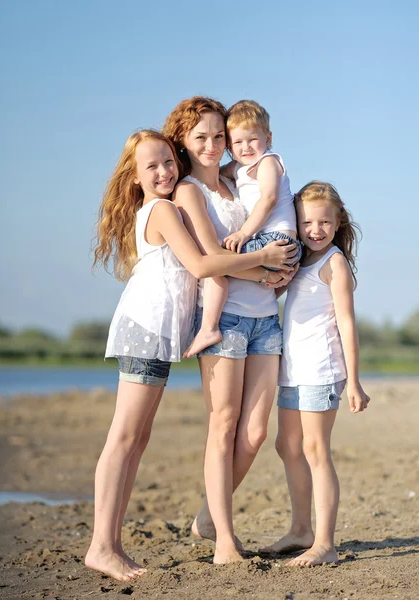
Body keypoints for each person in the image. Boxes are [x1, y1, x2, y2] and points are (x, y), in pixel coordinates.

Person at [85, 129, 294, 581]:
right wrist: (267, 266)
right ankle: (102, 545)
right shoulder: (161, 209)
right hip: (145, 327)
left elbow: (208, 260)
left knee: (135, 441)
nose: (163, 172)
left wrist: (264, 270)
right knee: (124, 439)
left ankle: (110, 544)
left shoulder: (164, 205)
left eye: (167, 162)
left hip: (158, 332)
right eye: (151, 167)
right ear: (135, 178)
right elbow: (202, 264)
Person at [163, 97, 299, 564]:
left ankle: (206, 516)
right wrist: (264, 265)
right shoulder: (187, 192)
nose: (212, 144)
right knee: (223, 426)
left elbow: (278, 224)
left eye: (218, 135)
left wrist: (282, 277)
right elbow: (209, 262)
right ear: (184, 141)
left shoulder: (236, 178)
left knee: (256, 432)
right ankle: (224, 538)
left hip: (266, 317)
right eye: (200, 136)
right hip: (224, 321)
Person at [262, 181, 371, 566]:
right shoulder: (300, 259)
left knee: (314, 450)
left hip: (322, 370)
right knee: (286, 446)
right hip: (293, 370)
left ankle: (325, 543)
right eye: (307, 221)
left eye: (325, 221)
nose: (316, 229)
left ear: (338, 220)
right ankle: (300, 529)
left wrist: (354, 381)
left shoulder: (333, 263)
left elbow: (347, 323)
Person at [184, 100, 302, 358]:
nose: (246, 147)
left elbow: (269, 199)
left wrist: (243, 234)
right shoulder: (239, 168)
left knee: (218, 262)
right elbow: (220, 170)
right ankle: (211, 325)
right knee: (218, 262)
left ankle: (208, 327)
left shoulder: (268, 162)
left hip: (275, 239)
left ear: (268, 138)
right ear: (230, 146)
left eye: (253, 140)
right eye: (237, 142)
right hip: (268, 249)